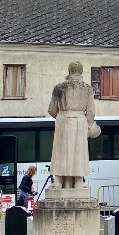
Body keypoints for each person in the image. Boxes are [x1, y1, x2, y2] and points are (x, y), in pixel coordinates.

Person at [48, 61, 100, 189]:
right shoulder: (87, 88)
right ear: (81, 71)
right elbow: (91, 111)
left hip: (62, 120)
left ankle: (58, 181)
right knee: (78, 152)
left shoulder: (58, 87)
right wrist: (88, 124)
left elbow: (51, 109)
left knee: (61, 151)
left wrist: (61, 117)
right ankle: (78, 181)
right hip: (80, 121)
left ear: (69, 70)